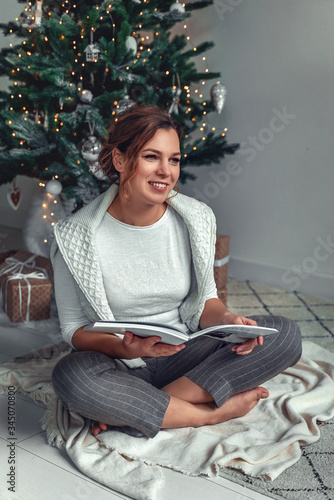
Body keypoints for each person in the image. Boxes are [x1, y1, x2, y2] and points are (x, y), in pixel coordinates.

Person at [51, 104, 302, 439]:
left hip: (187, 354)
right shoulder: (74, 236)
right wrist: (129, 349)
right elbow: (74, 330)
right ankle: (207, 415)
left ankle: (138, 411)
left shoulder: (195, 219)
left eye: (174, 159)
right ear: (120, 160)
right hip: (120, 362)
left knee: (285, 334)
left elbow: (206, 302)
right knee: (71, 377)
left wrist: (230, 320)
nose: (166, 172)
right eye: (151, 157)